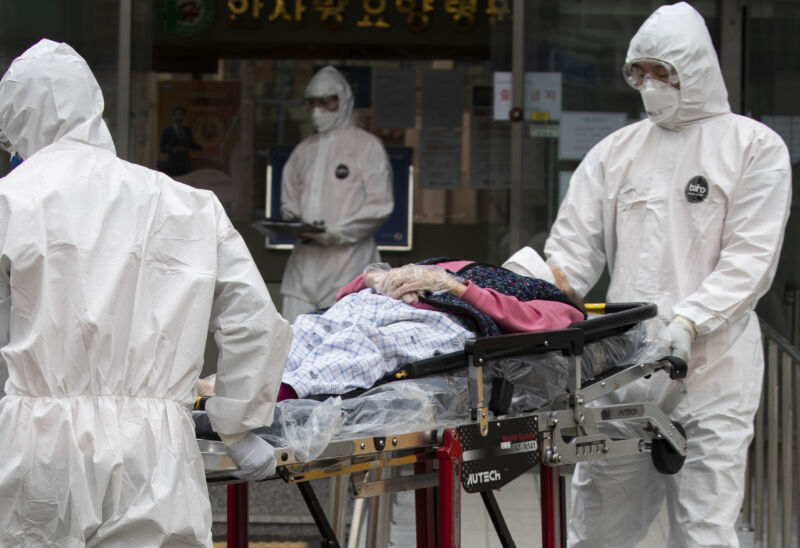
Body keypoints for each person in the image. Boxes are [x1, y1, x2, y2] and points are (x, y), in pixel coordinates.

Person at [0, 39, 293, 547]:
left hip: (37, 445)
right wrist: (238, 426)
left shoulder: (11, 201)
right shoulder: (187, 204)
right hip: (154, 452)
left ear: (18, 118)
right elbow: (251, 320)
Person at [540, 3, 791, 547]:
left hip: (711, 368)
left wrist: (691, 320)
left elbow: (751, 258)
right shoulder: (617, 152)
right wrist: (534, 296)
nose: (650, 85)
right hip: (623, 370)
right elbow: (571, 251)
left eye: (665, 72)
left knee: (703, 528)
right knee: (602, 523)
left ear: (696, 69)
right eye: (642, 72)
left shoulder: (753, 147)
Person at [279, 251, 585, 398]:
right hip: (377, 300)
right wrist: (375, 279)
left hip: (445, 320)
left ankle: (285, 395)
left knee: (365, 342)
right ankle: (250, 394)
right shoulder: (462, 263)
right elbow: (346, 292)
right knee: (308, 329)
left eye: (560, 274)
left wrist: (458, 288)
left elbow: (533, 322)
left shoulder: (554, 300)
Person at [280, 65, 394, 322]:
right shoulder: (303, 151)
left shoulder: (367, 147)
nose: (318, 110)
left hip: (348, 266)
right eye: (312, 103)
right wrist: (295, 221)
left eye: (327, 102)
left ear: (343, 102)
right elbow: (289, 198)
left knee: (344, 349)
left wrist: (337, 231)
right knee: (291, 344)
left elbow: (380, 204)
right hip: (302, 267)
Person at [159, 105, 202, 177]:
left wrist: (202, 147)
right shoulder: (167, 131)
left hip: (185, 162)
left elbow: (191, 145)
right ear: (173, 116)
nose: (178, 117)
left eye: (181, 115)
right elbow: (162, 148)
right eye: (176, 115)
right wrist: (174, 149)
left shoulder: (187, 130)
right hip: (173, 163)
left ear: (184, 117)